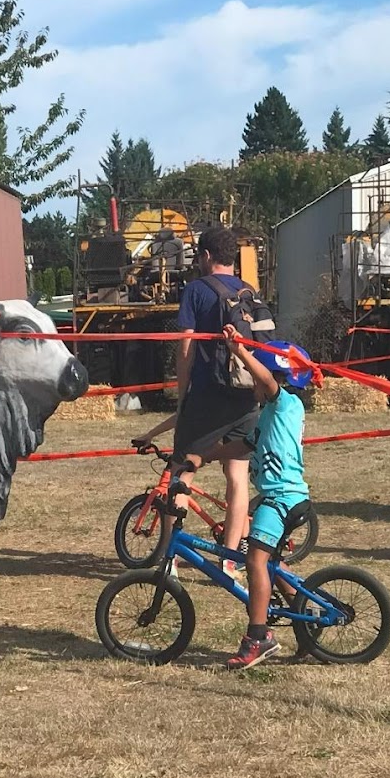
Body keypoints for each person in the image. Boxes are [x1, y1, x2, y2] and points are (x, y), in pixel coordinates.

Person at [140, 224, 274, 569]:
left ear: (207, 256)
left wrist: (182, 393)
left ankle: (171, 557)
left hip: (208, 394)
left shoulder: (196, 290)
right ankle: (229, 561)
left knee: (180, 473)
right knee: (238, 476)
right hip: (246, 395)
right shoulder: (250, 291)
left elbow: (185, 345)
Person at [183, 327, 313, 670]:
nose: (252, 384)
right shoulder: (269, 416)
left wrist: (240, 350)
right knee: (270, 564)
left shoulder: (284, 401)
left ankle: (259, 637)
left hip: (281, 498)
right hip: (283, 497)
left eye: (255, 378)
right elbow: (243, 445)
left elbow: (267, 380)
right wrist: (204, 456)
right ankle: (307, 622)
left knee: (253, 561)